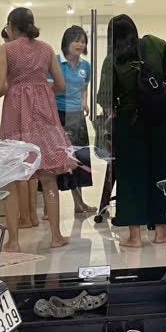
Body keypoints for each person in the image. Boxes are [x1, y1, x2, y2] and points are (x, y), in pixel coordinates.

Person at [0, 7, 75, 251]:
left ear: (11, 26)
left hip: (16, 112)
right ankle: (56, 236)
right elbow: (61, 85)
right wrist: (41, 90)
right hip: (44, 113)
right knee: (49, 179)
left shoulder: (6, 49)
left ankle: (14, 241)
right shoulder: (47, 49)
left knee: (12, 178)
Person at [98, 15, 166, 248]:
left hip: (130, 121)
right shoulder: (154, 43)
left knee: (131, 176)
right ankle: (161, 232)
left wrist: (113, 112)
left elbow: (105, 98)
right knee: (163, 171)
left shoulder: (113, 59)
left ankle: (135, 237)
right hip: (160, 117)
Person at [54, 25, 95, 217]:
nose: (81, 44)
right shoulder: (56, 62)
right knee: (57, 159)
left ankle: (79, 203)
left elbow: (84, 87)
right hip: (58, 114)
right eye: (77, 40)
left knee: (80, 159)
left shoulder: (86, 66)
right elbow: (48, 89)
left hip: (76, 115)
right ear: (67, 42)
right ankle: (49, 206)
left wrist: (84, 102)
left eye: (83, 41)